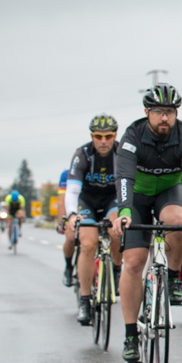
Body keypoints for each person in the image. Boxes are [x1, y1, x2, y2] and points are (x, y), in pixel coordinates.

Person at [111, 84, 182, 363]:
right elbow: (124, 176)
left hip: (168, 192)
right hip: (137, 197)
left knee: (178, 221)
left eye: (170, 112)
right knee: (133, 263)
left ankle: (174, 277)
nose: (165, 118)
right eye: (158, 112)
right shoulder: (133, 136)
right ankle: (131, 335)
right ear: (147, 112)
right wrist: (124, 210)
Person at [63, 114, 122, 325]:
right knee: (87, 244)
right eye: (98, 136)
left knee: (117, 230)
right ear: (92, 136)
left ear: (115, 135)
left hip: (112, 199)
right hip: (87, 200)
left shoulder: (122, 153)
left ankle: (116, 268)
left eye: (108, 136)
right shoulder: (82, 155)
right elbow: (72, 190)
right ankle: (85, 300)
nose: (103, 141)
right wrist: (72, 214)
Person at [55, 168, 75, 286]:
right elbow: (62, 201)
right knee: (71, 238)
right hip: (71, 209)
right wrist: (62, 222)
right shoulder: (66, 175)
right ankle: (68, 266)